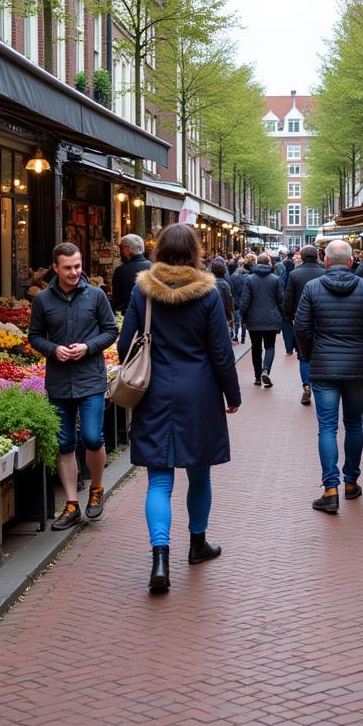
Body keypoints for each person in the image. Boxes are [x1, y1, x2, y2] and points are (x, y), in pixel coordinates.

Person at [117, 224, 241, 593]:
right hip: (199, 393)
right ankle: (198, 544)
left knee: (158, 479)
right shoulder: (209, 293)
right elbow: (221, 351)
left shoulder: (144, 290)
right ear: (194, 251)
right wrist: (232, 395)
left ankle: (159, 559)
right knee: (199, 474)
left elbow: (126, 343)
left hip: (154, 391)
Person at [29, 242, 118, 529]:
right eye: (68, 267)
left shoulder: (95, 295)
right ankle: (71, 504)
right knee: (64, 443)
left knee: (92, 437)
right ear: (55, 267)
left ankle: (96, 489)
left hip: (90, 377)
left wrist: (88, 347)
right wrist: (53, 350)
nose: (74, 272)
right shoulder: (43, 300)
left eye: (78, 266)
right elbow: (34, 336)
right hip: (58, 381)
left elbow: (110, 331)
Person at [294, 240, 363, 513]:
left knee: (327, 427)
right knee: (354, 425)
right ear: (350, 262)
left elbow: (301, 326)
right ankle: (351, 483)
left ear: (325, 261)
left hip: (323, 366)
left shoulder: (312, 288)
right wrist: (359, 339)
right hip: (357, 365)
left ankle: (330, 489)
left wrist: (311, 350)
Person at [283, 245, 325, 406]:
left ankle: (307, 386)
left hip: (301, 320)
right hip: (322, 320)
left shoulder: (294, 274)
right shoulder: (324, 272)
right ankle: (321, 386)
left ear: (301, 256)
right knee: (321, 353)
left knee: (304, 355)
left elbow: (288, 298)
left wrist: (288, 317)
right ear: (317, 256)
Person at [239, 252, 284, 387]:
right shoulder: (275, 279)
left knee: (256, 348)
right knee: (270, 347)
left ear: (257, 263)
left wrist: (243, 316)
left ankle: (258, 377)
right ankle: (266, 370)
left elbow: (245, 301)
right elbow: (281, 300)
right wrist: (282, 317)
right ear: (269, 264)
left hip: (254, 320)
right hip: (271, 319)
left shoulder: (249, 279)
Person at [110, 234, 152, 313]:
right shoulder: (153, 267)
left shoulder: (120, 271)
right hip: (148, 316)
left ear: (127, 249)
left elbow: (116, 300)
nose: (120, 252)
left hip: (126, 316)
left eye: (121, 248)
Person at [210, 257, 234, 337]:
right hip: (222, 311)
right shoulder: (225, 284)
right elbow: (229, 300)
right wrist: (230, 314)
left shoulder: (209, 283)